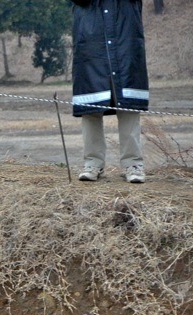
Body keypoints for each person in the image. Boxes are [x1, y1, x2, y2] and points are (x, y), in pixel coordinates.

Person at [70, 0, 148, 184]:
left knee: (128, 104)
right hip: (91, 42)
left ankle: (133, 163)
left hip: (125, 38)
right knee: (91, 105)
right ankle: (92, 163)